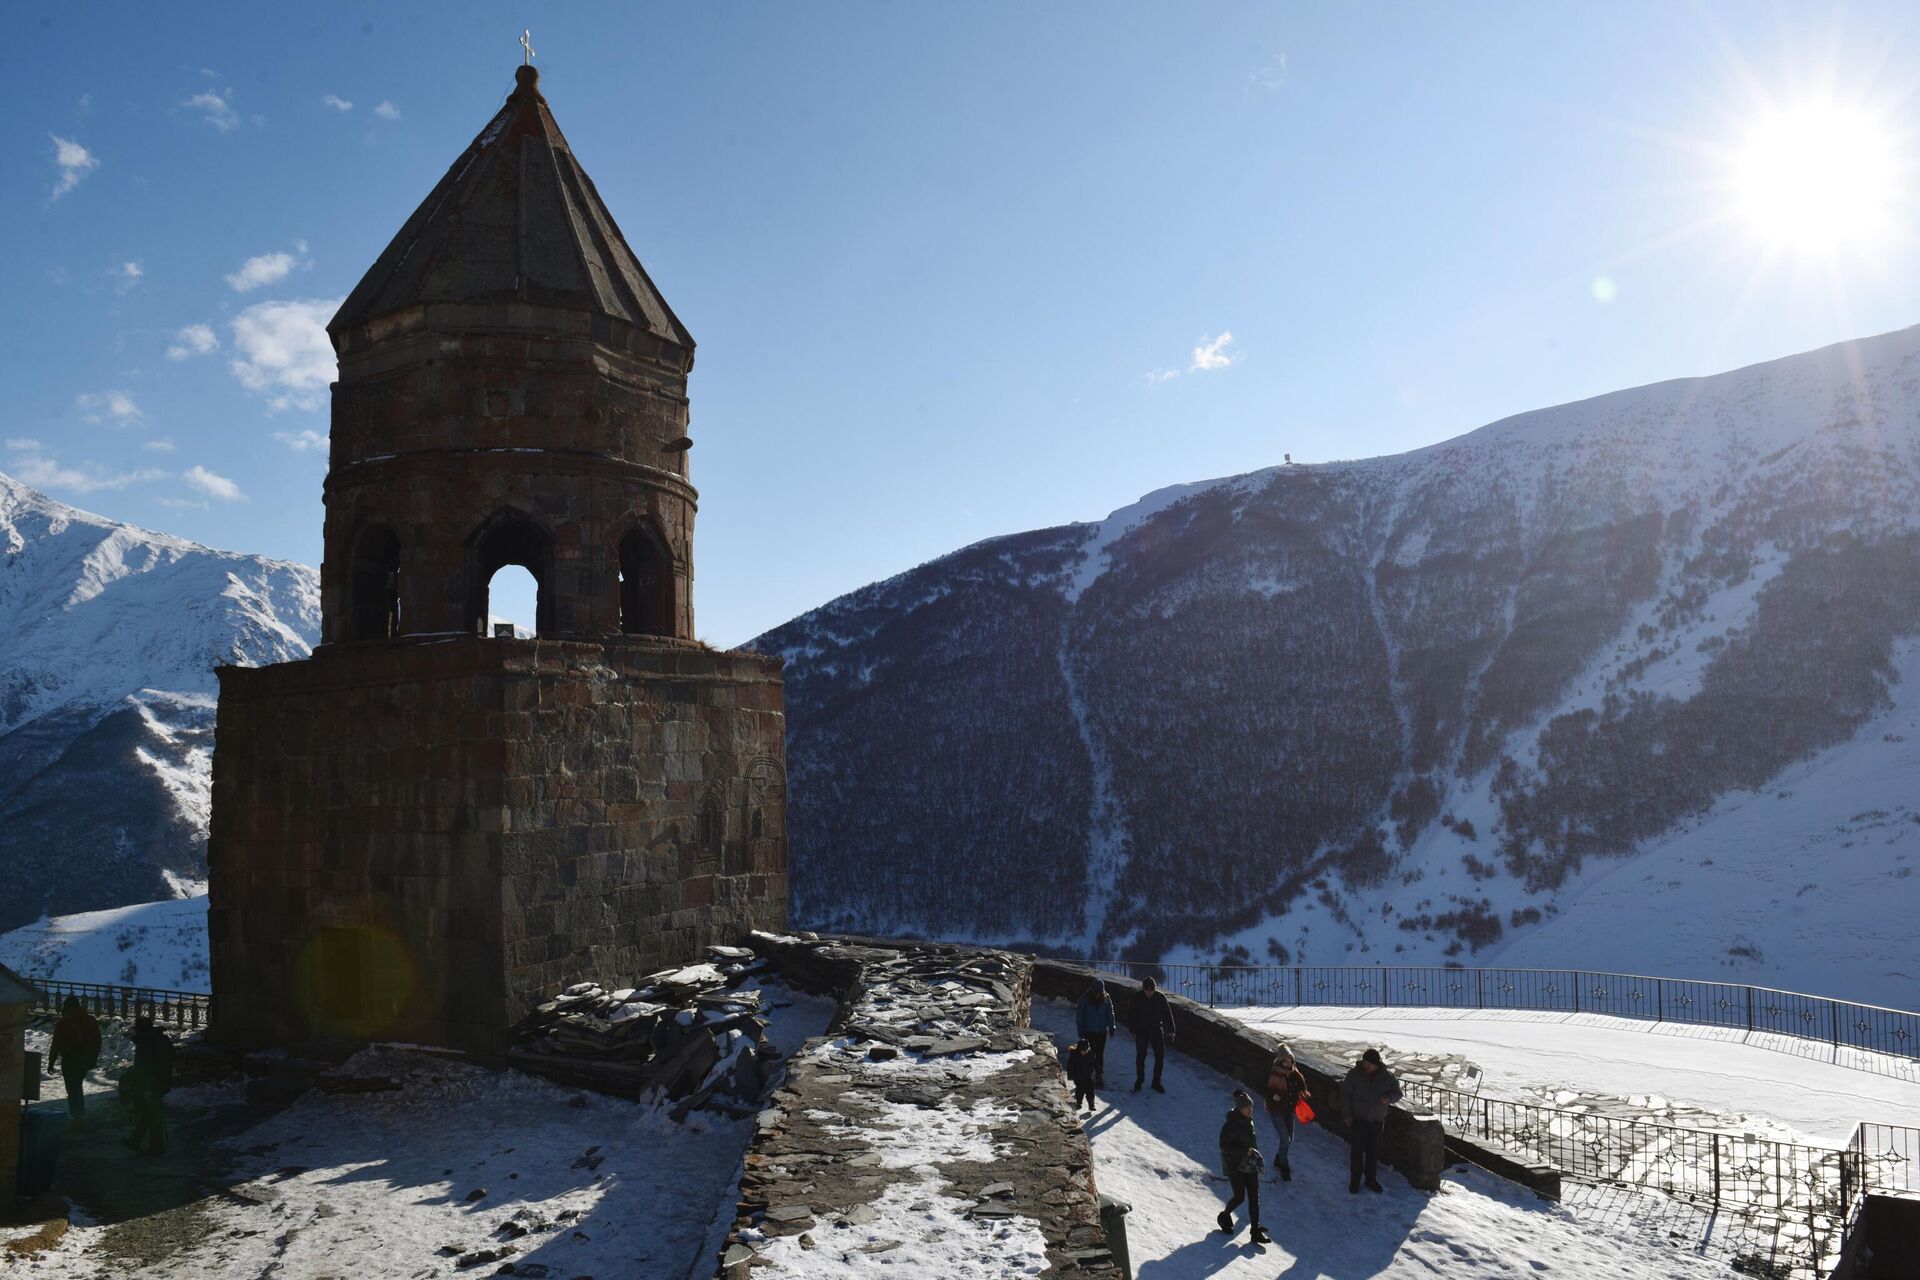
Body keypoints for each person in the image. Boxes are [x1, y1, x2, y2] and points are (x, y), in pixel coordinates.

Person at [1338, 1046, 1401, 1194]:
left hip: (1377, 1121)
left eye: (1369, 1064)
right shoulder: (1355, 1074)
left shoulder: (1387, 1077)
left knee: (1373, 1153)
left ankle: (1370, 1179)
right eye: (1365, 1062)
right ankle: (1355, 1180)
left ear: (1376, 1064)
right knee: (1357, 1151)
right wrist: (1347, 1115)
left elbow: (1398, 1093)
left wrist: (1388, 1098)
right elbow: (1345, 1095)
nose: (1366, 1066)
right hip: (1358, 1120)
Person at [1214, 1089, 1271, 1244]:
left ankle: (1255, 1230)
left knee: (1254, 1196)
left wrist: (1254, 1154)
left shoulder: (1249, 1121)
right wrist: (1245, 1151)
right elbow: (1224, 1146)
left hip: (1249, 1163)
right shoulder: (1231, 1125)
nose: (1251, 1110)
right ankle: (1224, 1216)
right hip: (1235, 1166)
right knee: (1239, 1197)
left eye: (1251, 1107)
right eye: (1248, 1107)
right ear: (1240, 1108)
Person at [46, 997, 103, 1131]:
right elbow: (97, 1041)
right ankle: (79, 1117)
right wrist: (93, 1058)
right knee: (77, 1086)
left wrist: (51, 1061)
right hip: (84, 1060)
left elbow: (56, 1044)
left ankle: (77, 1118)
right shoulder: (90, 1020)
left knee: (73, 1088)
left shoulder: (63, 1023)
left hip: (69, 1059)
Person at [123, 1015, 176, 1158]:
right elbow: (170, 1058)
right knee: (150, 1112)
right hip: (161, 1082)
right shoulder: (160, 1039)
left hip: (151, 1084)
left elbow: (144, 1067)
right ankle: (135, 1140)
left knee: (153, 1114)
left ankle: (156, 1147)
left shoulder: (146, 1043)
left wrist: (143, 1085)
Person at [1264, 1043, 1309, 1182]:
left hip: (1288, 1110)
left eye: (1290, 1060)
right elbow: (1266, 1088)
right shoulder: (1274, 1072)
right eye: (1286, 1060)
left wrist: (1303, 1090)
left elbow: (1301, 1084)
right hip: (1276, 1110)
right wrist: (1273, 1096)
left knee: (1290, 1138)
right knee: (1285, 1139)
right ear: (1280, 1060)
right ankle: (1284, 1166)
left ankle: (1279, 1158)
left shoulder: (1294, 1073)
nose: (1288, 1063)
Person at [1131, 977, 1176, 1093]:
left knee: (1159, 1057)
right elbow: (1131, 1014)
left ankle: (1156, 1082)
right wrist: (1133, 1031)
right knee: (1141, 1057)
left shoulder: (1160, 997)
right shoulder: (1137, 997)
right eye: (1147, 990)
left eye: (1151, 990)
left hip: (1156, 1030)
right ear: (1143, 989)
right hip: (1141, 1031)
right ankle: (1139, 1080)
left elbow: (1167, 1013)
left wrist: (1171, 1030)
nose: (1149, 993)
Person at [1075, 980, 1119, 1088]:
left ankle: (1099, 1076)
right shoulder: (1084, 999)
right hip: (1088, 1032)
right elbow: (1080, 1016)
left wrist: (1112, 1026)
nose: (1097, 993)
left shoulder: (1106, 998)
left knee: (1099, 1054)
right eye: (1096, 991)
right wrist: (1081, 1031)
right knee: (1089, 1054)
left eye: (1099, 991)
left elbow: (1110, 1013)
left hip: (1101, 1032)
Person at [1065, 1037, 1098, 1113]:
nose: (1085, 1052)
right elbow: (1070, 1066)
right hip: (1078, 1078)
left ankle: (1091, 1105)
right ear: (1079, 1049)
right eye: (1083, 1051)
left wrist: (1098, 1069)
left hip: (1088, 1077)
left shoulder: (1089, 1054)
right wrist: (1071, 1076)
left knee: (1090, 1091)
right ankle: (1079, 1103)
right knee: (1080, 1091)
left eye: (1086, 1050)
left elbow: (1093, 1063)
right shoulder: (1074, 1055)